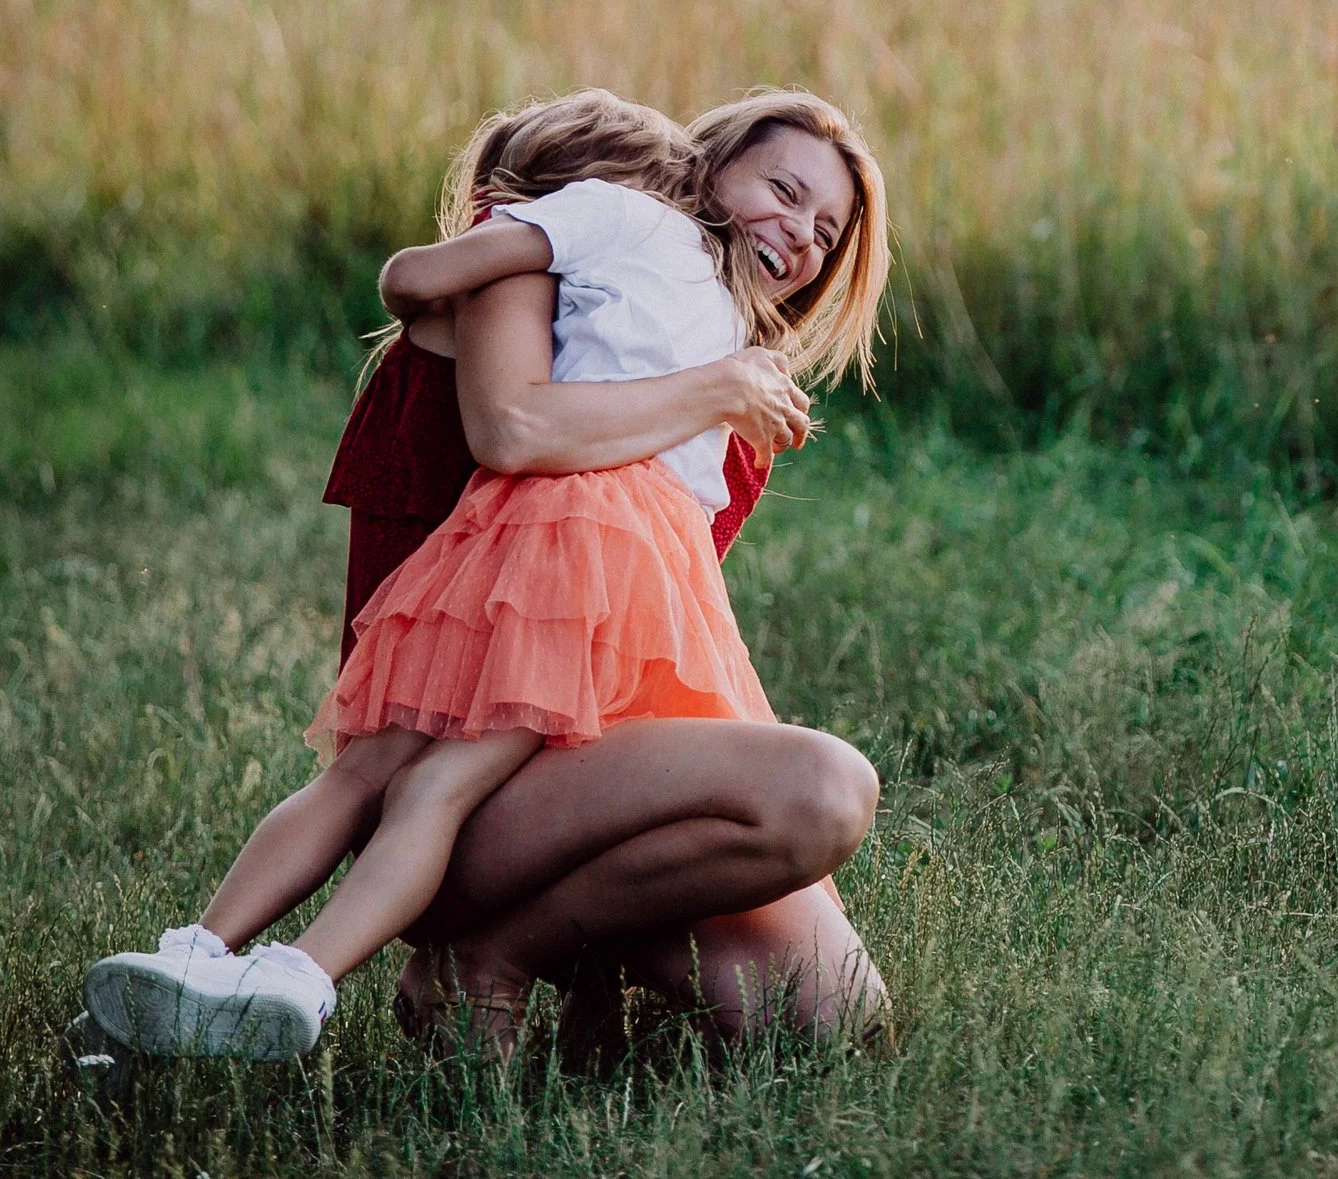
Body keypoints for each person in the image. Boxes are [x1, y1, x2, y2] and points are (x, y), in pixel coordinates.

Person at [77, 90, 892, 1061]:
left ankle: (486, 955)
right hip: (473, 767)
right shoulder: (572, 263)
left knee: (834, 1010)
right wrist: (688, 371)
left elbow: (630, 641)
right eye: (783, 189)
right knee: (819, 786)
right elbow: (500, 430)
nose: (799, 232)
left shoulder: (731, 402)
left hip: (583, 767)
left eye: (825, 230)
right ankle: (391, 959)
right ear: (704, 169)